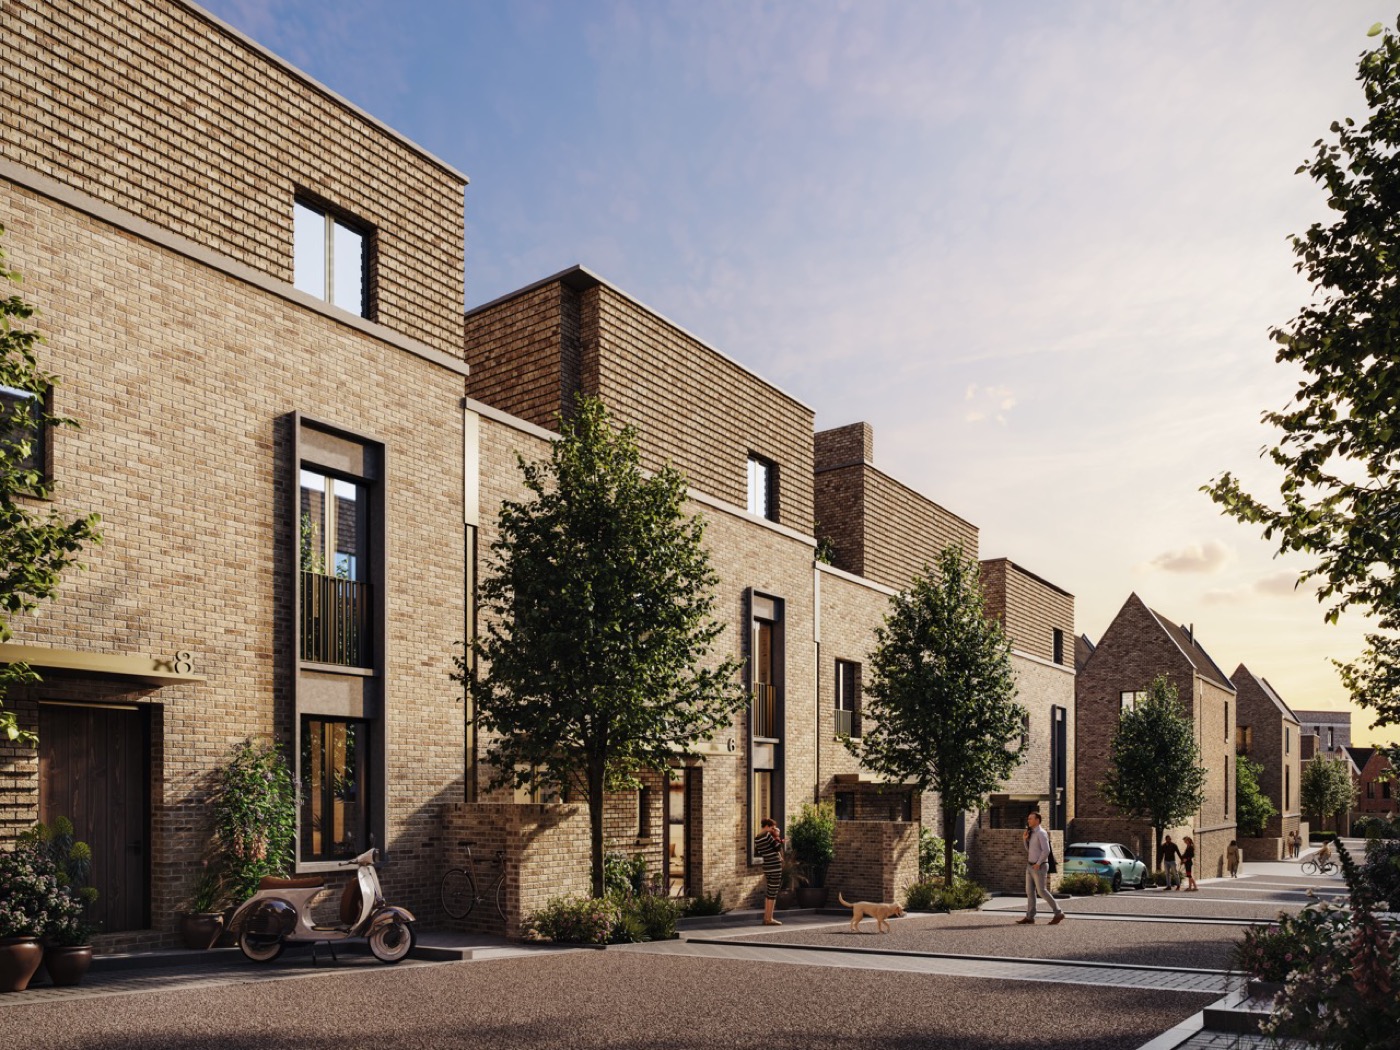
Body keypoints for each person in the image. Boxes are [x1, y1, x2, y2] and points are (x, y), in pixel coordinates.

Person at [1016, 811, 1064, 926]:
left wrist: (1038, 863)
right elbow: (1029, 850)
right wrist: (1024, 839)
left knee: (1042, 891)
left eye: (1030, 819)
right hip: (1030, 866)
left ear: (1037, 820)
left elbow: (1046, 850)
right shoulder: (1031, 833)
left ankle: (1058, 913)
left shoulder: (1041, 833)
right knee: (1029, 891)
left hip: (1039, 867)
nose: (1028, 821)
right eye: (1028, 819)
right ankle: (1030, 917)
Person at [754, 817, 784, 926]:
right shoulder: (767, 835)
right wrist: (779, 839)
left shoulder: (757, 838)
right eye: (772, 828)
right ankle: (769, 918)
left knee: (769, 892)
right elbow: (777, 847)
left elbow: (761, 851)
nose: (772, 830)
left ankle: (766, 918)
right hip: (775, 865)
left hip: (767, 865)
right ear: (767, 826)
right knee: (773, 892)